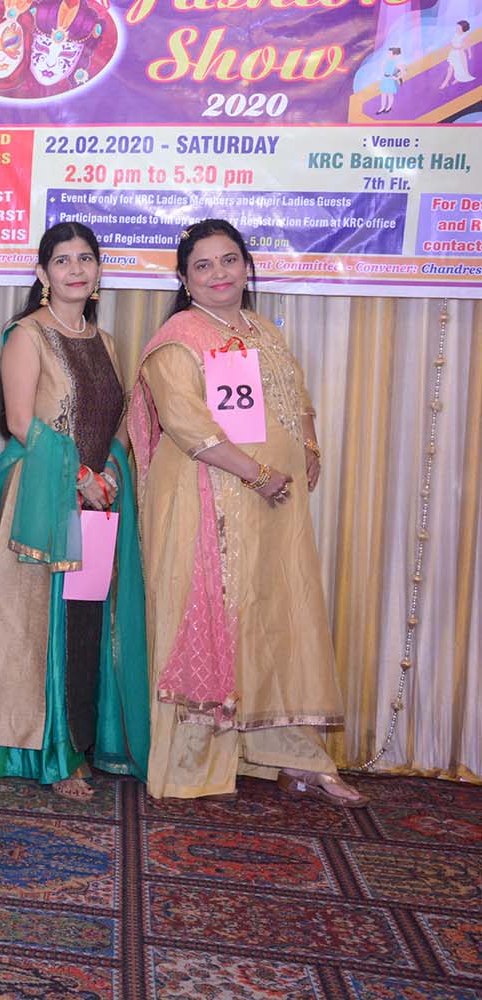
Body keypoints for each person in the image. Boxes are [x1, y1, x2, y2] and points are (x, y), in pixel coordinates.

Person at [126, 219, 366, 806]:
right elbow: (187, 424)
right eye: (203, 265)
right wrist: (255, 473)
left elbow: (296, 396)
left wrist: (308, 447)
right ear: (184, 280)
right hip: (204, 498)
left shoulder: (264, 331)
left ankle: (293, 756)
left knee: (275, 617)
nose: (219, 274)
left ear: (246, 266)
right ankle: (195, 765)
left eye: (228, 260)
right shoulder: (178, 338)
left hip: (272, 504)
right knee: (209, 613)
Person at [0, 222, 149, 797]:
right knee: (43, 624)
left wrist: (109, 471)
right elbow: (21, 423)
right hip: (47, 494)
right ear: (43, 273)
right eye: (62, 260)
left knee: (86, 618)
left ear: (98, 270)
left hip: (98, 499)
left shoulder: (105, 341)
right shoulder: (27, 335)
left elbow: (118, 419)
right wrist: (81, 478)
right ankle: (50, 752)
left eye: (85, 258)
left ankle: (82, 740)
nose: (76, 269)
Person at [441, 21, 474, 87]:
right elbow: (451, 42)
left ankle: (446, 82)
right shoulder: (455, 34)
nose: (457, 29)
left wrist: (470, 54)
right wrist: (451, 46)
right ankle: (451, 80)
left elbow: (468, 45)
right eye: (457, 27)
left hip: (459, 54)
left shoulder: (464, 36)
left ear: (463, 29)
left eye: (459, 28)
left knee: (455, 68)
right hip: (453, 53)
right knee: (452, 67)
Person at [377, 46, 404, 113]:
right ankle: (382, 107)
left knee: (390, 94)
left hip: (391, 79)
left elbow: (403, 72)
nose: (388, 54)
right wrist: (382, 74)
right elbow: (382, 67)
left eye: (390, 53)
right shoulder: (386, 60)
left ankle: (389, 107)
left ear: (394, 54)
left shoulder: (396, 62)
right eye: (388, 53)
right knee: (383, 94)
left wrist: (397, 78)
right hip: (385, 79)